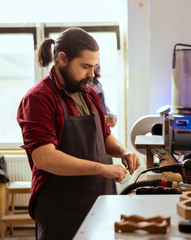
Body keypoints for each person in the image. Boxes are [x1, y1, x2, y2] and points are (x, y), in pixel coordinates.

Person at [17, 27, 140, 240]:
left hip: (100, 198)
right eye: (85, 66)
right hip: (62, 208)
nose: (91, 75)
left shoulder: (89, 93)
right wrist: (102, 168)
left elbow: (103, 136)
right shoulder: (39, 99)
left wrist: (124, 150)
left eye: (94, 67)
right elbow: (44, 158)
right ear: (62, 59)